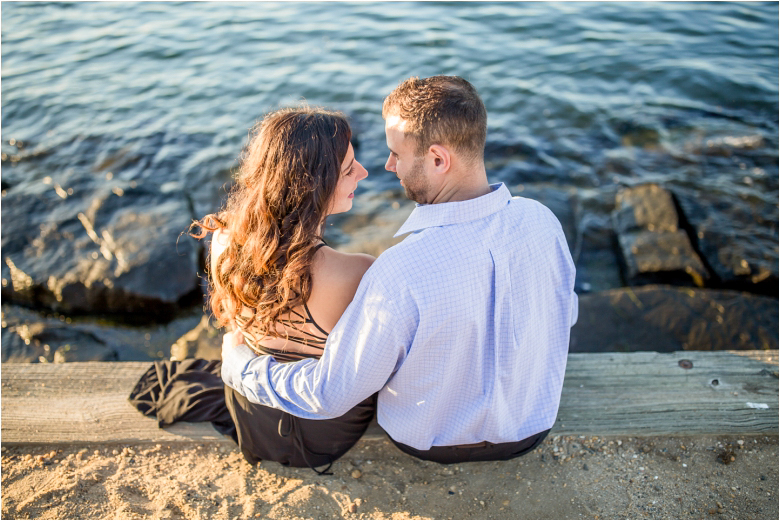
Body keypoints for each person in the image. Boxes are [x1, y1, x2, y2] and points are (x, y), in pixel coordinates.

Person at [222, 76, 579, 464]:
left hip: (428, 441)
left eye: (397, 154)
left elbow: (330, 394)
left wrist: (244, 369)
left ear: (439, 160)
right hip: (532, 426)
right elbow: (565, 311)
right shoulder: (542, 221)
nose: (388, 166)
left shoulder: (401, 270)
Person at [192, 106, 375, 473]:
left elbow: (237, 328)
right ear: (316, 184)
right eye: (348, 169)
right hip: (322, 432)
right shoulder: (355, 272)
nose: (364, 173)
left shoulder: (224, 237)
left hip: (250, 413)